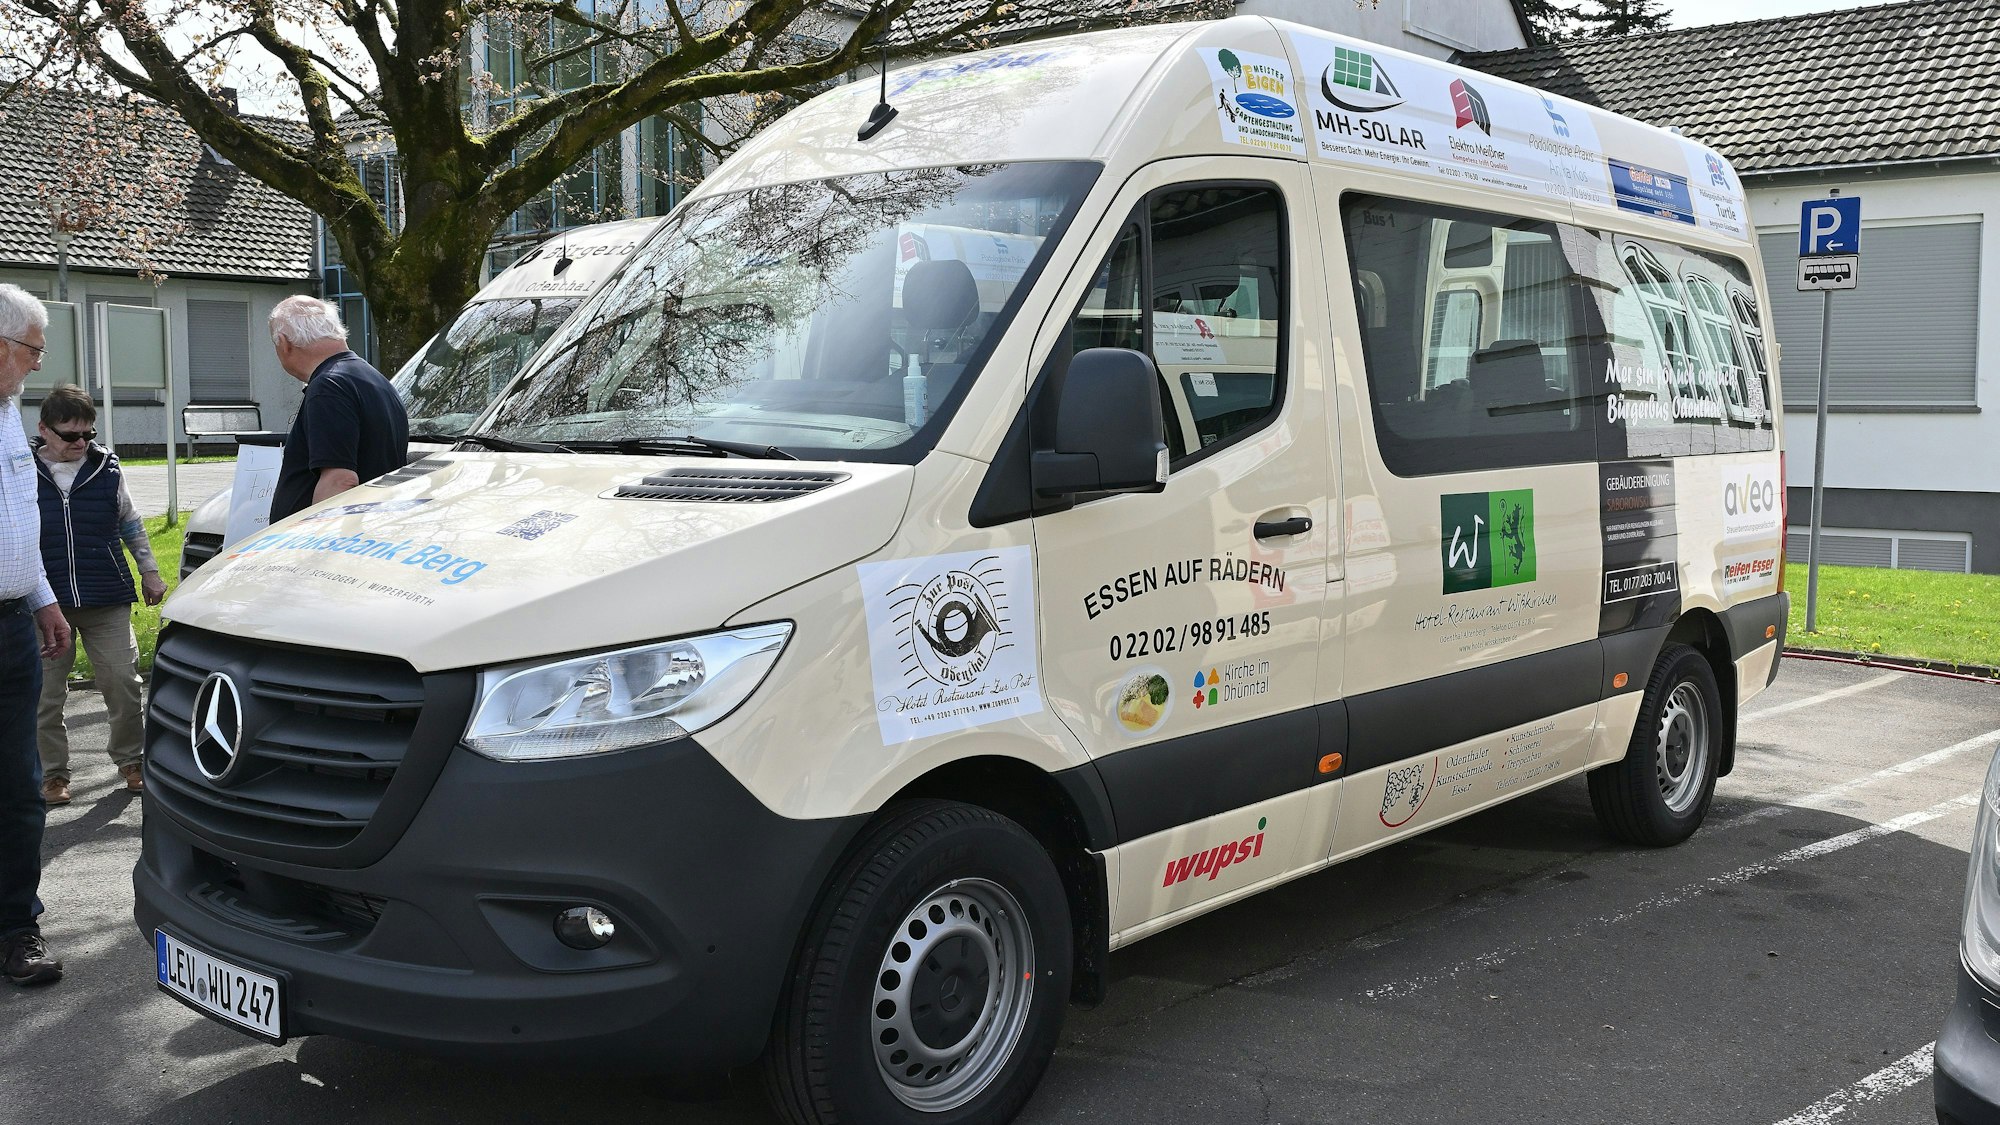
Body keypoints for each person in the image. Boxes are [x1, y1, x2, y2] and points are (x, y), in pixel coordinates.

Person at [33, 384, 166, 806]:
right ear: (44, 429)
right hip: (43, 601)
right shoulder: (20, 469)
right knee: (44, 694)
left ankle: (132, 762)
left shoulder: (107, 467)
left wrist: (149, 570)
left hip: (106, 594)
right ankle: (53, 775)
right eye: (70, 435)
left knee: (122, 680)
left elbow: (130, 521)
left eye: (88, 434)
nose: (81, 444)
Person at [0, 283, 72, 987]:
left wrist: (43, 598)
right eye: (31, 353)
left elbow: (21, 523)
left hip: (13, 626)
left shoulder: (11, 413)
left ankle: (18, 926)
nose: (34, 368)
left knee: (20, 787)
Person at [266, 295, 408, 522]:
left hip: (331, 544)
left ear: (284, 343)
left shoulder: (328, 386)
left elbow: (340, 481)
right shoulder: (375, 380)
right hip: (372, 530)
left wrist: (316, 548)